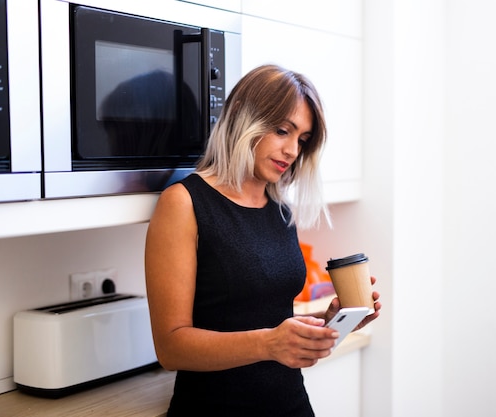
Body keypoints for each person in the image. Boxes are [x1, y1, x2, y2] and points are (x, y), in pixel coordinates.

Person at [144, 64, 381, 416]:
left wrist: (326, 321)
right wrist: (269, 344)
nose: (292, 150)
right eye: (282, 131)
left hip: (291, 406)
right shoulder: (183, 203)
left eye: (302, 139)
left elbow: (269, 317)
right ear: (243, 117)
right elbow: (171, 348)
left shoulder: (279, 209)